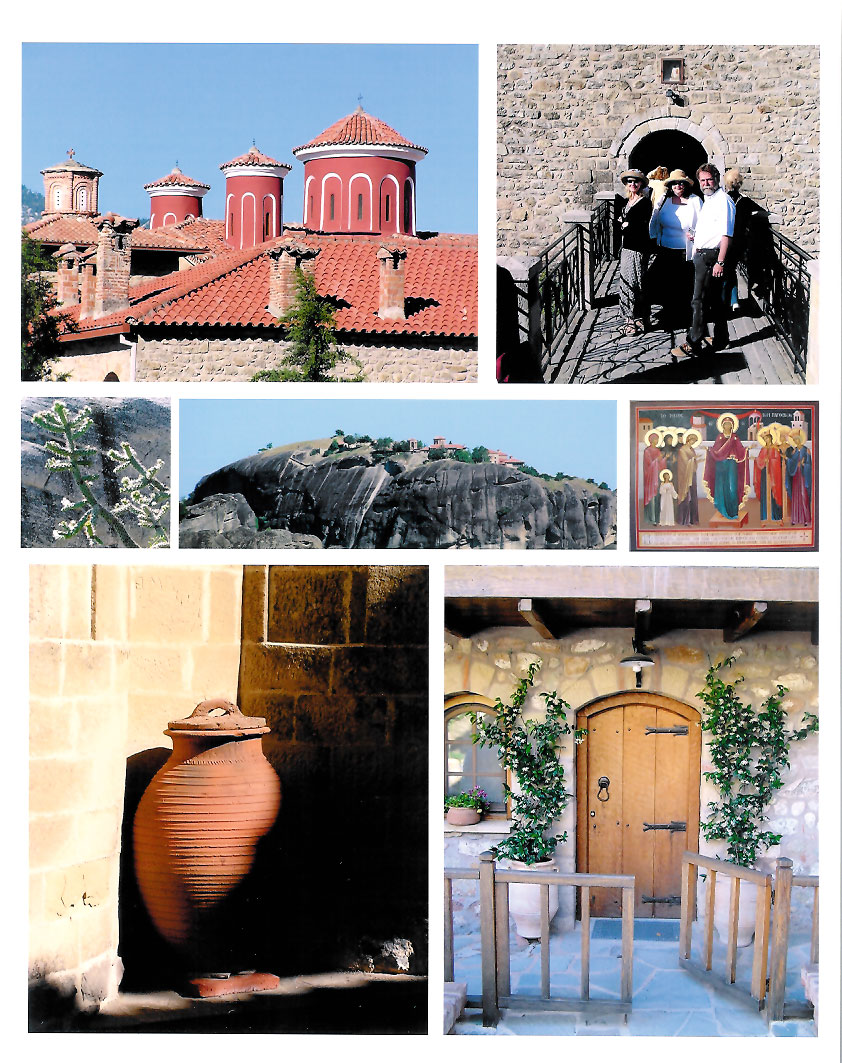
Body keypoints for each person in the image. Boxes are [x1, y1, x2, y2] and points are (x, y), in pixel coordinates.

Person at [679, 163, 736, 355]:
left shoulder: (724, 201)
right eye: (702, 180)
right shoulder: (710, 200)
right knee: (715, 300)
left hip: (711, 257)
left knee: (698, 300)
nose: (705, 183)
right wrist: (696, 237)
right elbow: (713, 229)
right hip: (703, 254)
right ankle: (721, 339)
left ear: (716, 179)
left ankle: (694, 342)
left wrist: (720, 261)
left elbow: (727, 235)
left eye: (709, 179)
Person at [647, 170, 703, 330]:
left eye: (681, 183)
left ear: (686, 185)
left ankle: (685, 320)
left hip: (685, 252)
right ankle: (669, 318)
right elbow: (655, 220)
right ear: (670, 186)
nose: (678, 186)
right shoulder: (664, 200)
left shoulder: (695, 201)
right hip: (665, 250)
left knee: (683, 288)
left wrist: (694, 235)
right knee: (666, 287)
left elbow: (702, 224)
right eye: (675, 183)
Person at [615, 169, 653, 336]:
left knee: (635, 281)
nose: (633, 184)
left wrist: (625, 224)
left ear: (641, 184)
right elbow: (618, 223)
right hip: (626, 247)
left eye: (636, 182)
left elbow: (639, 226)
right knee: (629, 281)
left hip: (637, 248)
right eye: (630, 182)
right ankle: (636, 318)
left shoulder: (644, 203)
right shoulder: (625, 202)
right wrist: (624, 224)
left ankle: (633, 320)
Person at [702, 414, 748, 520]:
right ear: (723, 426)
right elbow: (716, 451)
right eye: (725, 424)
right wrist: (709, 450)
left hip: (731, 464)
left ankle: (733, 511)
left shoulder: (735, 437)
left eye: (729, 424)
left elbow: (740, 450)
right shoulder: (720, 437)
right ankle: (723, 510)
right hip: (720, 465)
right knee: (721, 488)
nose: (727, 426)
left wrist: (747, 449)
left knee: (732, 487)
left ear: (732, 426)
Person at [753, 428, 783, 522]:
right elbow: (759, 461)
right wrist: (758, 460)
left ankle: (776, 518)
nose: (766, 440)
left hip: (773, 475)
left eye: (767, 438)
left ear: (771, 438)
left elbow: (777, 460)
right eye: (764, 439)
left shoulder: (775, 449)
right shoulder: (763, 449)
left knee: (773, 495)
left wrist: (770, 461)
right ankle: (765, 517)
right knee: (765, 494)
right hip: (764, 476)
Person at [785, 429, 812, 526]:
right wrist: (788, 459)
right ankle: (795, 519)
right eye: (794, 440)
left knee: (803, 495)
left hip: (803, 476)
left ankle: (805, 519)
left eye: (797, 440)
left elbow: (810, 465)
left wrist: (804, 464)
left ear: (800, 439)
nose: (796, 442)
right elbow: (792, 461)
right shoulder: (794, 451)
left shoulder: (806, 450)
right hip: (796, 476)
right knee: (796, 496)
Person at [676, 430, 702, 525]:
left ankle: (693, 519)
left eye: (694, 441)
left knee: (693, 496)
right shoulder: (682, 450)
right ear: (688, 440)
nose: (693, 443)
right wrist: (694, 459)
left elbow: (692, 462)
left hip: (692, 475)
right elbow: (686, 462)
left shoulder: (692, 450)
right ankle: (684, 520)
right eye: (692, 441)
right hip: (685, 477)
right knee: (687, 497)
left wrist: (697, 460)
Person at [642, 430, 665, 524]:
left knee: (658, 497)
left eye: (657, 439)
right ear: (651, 440)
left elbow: (661, 464)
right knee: (652, 498)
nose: (657, 440)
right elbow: (648, 464)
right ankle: (651, 519)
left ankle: (657, 518)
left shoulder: (658, 450)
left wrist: (664, 459)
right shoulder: (647, 451)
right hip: (650, 478)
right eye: (655, 439)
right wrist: (657, 460)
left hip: (657, 476)